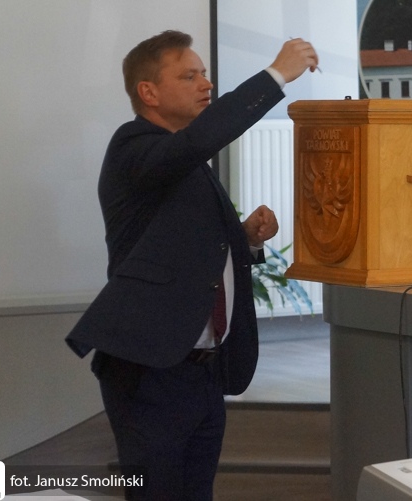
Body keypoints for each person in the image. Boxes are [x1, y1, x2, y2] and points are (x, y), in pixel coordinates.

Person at [66, 31, 318, 499]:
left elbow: (179, 246)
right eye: (189, 76)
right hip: (151, 369)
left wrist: (244, 239)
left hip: (201, 370)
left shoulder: (183, 161)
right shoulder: (133, 146)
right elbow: (197, 142)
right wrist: (276, 75)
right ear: (149, 92)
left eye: (204, 73)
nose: (206, 83)